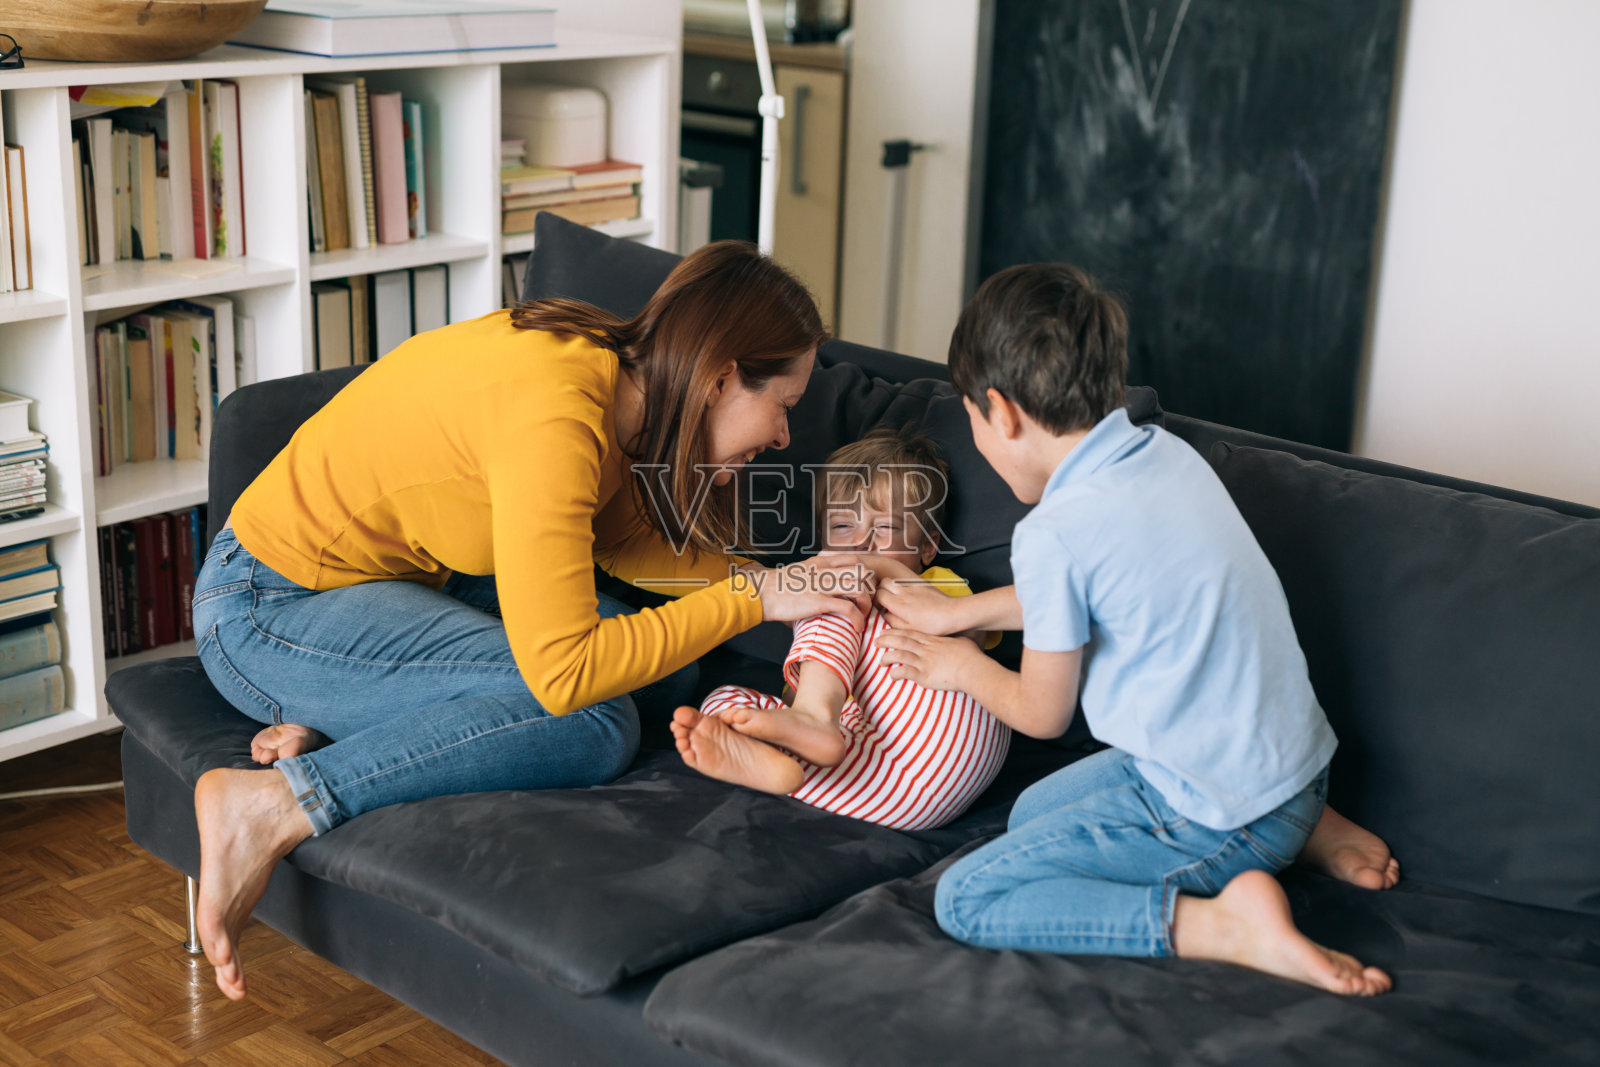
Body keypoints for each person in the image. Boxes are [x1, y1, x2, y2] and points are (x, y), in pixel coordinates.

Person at [189, 242, 870, 1001]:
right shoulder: (555, 411)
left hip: (398, 587)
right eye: (784, 405)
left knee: (670, 666)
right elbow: (565, 673)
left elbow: (619, 540)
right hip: (267, 609)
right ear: (719, 379)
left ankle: (352, 712)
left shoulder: (614, 377)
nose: (783, 436)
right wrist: (756, 600)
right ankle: (276, 801)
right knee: (592, 720)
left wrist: (796, 586)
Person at [871, 264, 1397, 995]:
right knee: (1031, 813)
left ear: (1001, 411)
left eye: (971, 420)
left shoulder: (1054, 530)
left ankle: (1226, 926)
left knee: (968, 898)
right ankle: (1305, 826)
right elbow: (1088, 591)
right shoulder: (1162, 457)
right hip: (1291, 766)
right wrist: (958, 612)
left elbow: (1042, 713)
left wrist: (956, 664)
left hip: (1218, 809)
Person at [671, 428, 1011, 831]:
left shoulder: (935, 588)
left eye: (884, 528)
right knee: (720, 707)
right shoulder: (829, 652)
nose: (861, 543)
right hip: (878, 790)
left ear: (926, 547)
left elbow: (968, 640)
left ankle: (813, 719)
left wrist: (852, 574)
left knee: (833, 585)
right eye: (844, 526)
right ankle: (773, 762)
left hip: (940, 742)